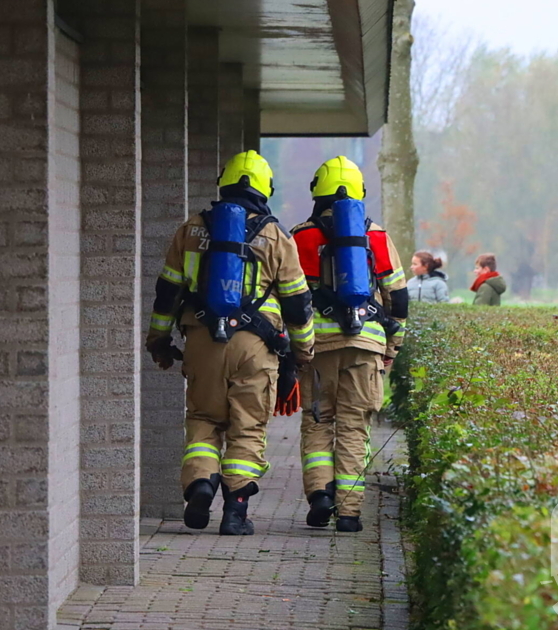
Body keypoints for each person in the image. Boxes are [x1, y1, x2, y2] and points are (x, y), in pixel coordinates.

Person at [146, 151, 315, 536]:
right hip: (256, 346)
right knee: (248, 425)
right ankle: (236, 513)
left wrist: (158, 340)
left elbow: (167, 291)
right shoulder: (276, 236)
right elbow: (298, 303)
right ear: (264, 189)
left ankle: (201, 484)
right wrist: (302, 353)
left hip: (201, 340)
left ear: (223, 183)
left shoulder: (191, 229)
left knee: (204, 418)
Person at [290, 156, 409, 532]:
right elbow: (399, 299)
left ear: (317, 191)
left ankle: (321, 494)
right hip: (367, 343)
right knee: (355, 427)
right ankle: (349, 512)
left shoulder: (300, 236)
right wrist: (392, 348)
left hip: (318, 347)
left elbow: (290, 298)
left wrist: (294, 350)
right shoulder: (376, 237)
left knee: (318, 421)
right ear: (360, 191)